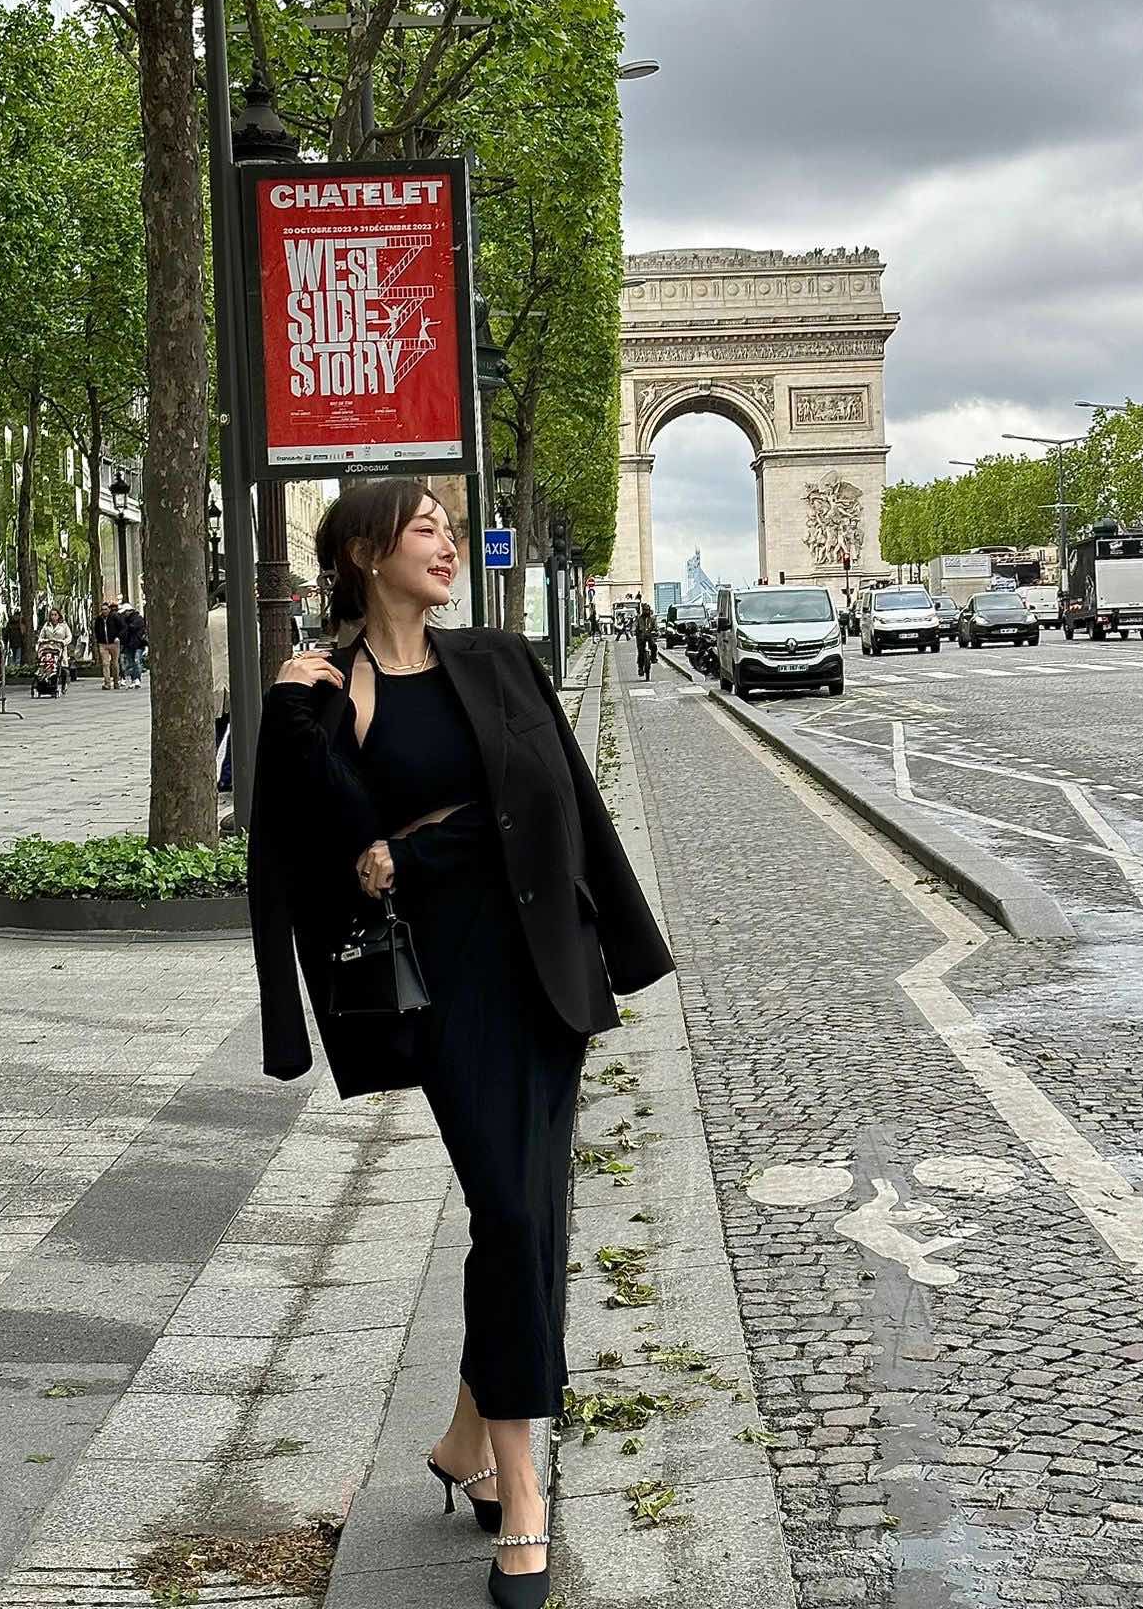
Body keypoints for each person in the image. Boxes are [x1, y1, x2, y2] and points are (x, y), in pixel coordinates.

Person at [247, 479, 674, 1609]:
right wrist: (289, 714)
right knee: (514, 1214)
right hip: (439, 983)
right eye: (424, 528)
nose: (446, 542)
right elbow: (302, 835)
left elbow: (563, 800)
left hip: (541, 964)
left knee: (532, 1210)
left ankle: (466, 1444)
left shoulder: (498, 658)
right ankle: (524, 1491)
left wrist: (617, 941)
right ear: (364, 552)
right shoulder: (326, 688)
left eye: (446, 526)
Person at [209, 587, 232, 791]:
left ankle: (205, 773)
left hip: (214, 681)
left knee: (215, 732)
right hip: (237, 683)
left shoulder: (207, 619)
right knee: (238, 735)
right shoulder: (245, 619)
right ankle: (227, 777)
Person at [37, 607, 73, 693]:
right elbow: (41, 637)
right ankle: (45, 683)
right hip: (48, 649)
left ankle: (64, 684)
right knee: (47, 665)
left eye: (55, 615)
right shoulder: (46, 625)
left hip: (60, 648)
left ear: (59, 616)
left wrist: (63, 642)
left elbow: (69, 637)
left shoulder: (64, 625)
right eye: (52, 615)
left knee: (63, 667)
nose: (53, 617)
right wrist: (44, 641)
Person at [117, 602, 147, 689]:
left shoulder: (138, 619)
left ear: (129, 611)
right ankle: (134, 679)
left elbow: (132, 628)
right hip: (129, 644)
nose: (123, 614)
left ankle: (137, 679)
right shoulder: (125, 620)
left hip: (138, 644)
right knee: (130, 662)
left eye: (124, 612)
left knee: (137, 661)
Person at [94, 601, 123, 690]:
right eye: (102, 609)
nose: (104, 611)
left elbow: (123, 627)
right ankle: (107, 683)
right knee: (105, 663)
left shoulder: (115, 617)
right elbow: (96, 630)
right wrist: (98, 640)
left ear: (109, 609)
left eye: (106, 609)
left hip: (114, 643)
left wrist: (118, 637)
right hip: (103, 644)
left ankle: (116, 681)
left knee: (115, 663)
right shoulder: (99, 619)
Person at [635, 602, 658, 679]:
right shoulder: (639, 618)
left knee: (654, 645)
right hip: (641, 637)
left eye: (647, 610)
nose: (646, 611)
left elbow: (655, 627)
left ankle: (653, 658)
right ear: (642, 610)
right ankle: (640, 668)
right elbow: (635, 626)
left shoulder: (652, 618)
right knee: (640, 652)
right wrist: (635, 631)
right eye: (645, 610)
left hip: (649, 635)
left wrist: (656, 631)